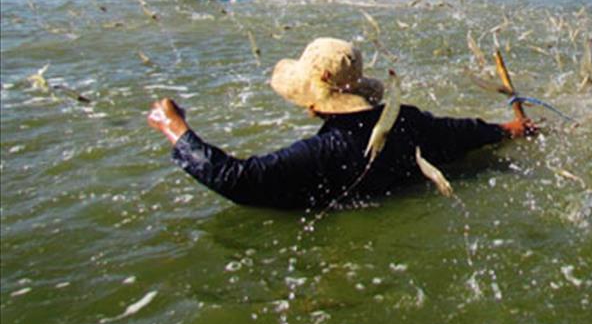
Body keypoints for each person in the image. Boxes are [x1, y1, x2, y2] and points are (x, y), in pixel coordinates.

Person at [147, 38, 537, 209]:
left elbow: (238, 180)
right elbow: (464, 133)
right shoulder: (408, 121)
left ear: (313, 100)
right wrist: (512, 129)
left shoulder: (323, 151)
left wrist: (174, 127)